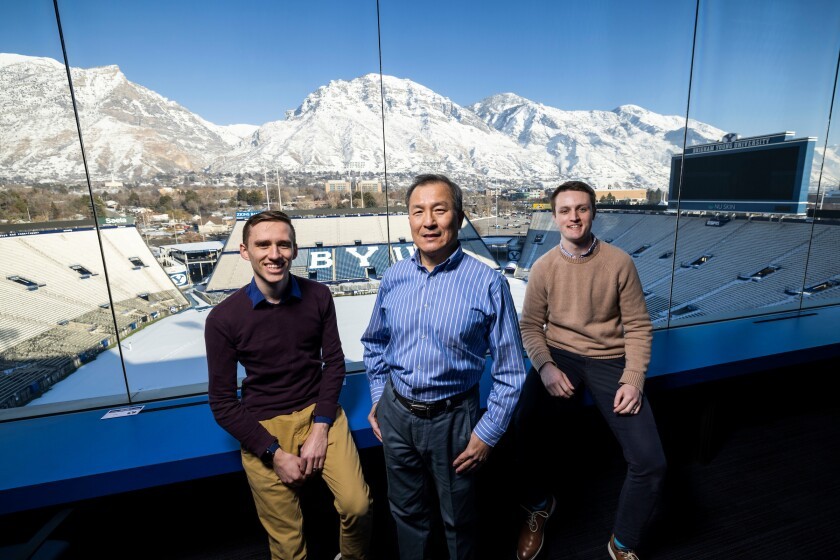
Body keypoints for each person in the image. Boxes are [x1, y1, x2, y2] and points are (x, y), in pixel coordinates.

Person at [362, 174, 527, 560]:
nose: (428, 221)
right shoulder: (394, 276)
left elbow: (511, 371)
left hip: (454, 421)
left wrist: (488, 433)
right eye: (418, 211)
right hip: (396, 415)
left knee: (459, 520)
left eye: (440, 210)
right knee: (406, 514)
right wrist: (377, 398)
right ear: (409, 219)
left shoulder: (489, 284)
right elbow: (375, 343)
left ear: (459, 217)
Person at [205, 210, 371, 560]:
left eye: (283, 244)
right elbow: (222, 402)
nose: (274, 253)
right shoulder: (223, 319)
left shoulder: (319, 296)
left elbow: (335, 363)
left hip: (319, 414)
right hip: (264, 424)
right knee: (287, 543)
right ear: (245, 251)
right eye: (263, 244)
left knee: (358, 505)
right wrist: (274, 453)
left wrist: (321, 427)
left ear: (295, 250)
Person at [514, 181, 666, 560]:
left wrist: (633, 378)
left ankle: (622, 543)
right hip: (560, 355)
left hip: (609, 358)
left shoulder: (619, 262)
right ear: (555, 217)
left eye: (581, 209)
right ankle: (538, 506)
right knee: (520, 428)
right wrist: (545, 367)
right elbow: (530, 326)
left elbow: (638, 325)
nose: (574, 217)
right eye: (565, 210)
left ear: (593, 213)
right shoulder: (545, 267)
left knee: (650, 461)